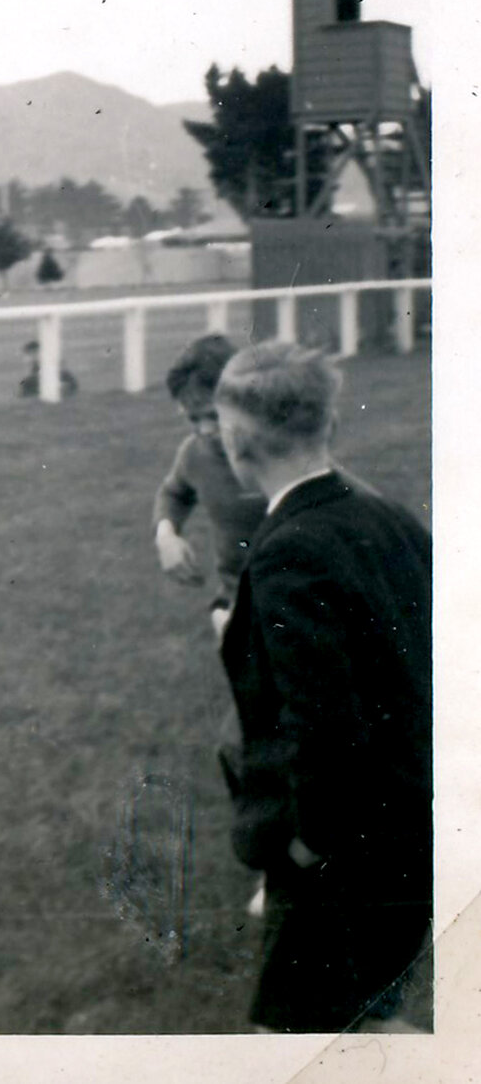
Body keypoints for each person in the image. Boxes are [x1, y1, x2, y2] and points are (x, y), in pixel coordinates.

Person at [213, 341, 431, 1033]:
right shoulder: (389, 518)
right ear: (327, 424)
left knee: (297, 1039)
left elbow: (322, 721)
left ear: (235, 444)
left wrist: (310, 844)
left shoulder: (287, 551)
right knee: (362, 1022)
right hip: (410, 826)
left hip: (344, 848)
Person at [151, 334, 266, 644]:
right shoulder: (195, 453)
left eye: (214, 416)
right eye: (193, 419)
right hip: (236, 597)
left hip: (294, 594)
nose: (205, 430)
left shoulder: (280, 449)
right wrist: (167, 535)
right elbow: (174, 492)